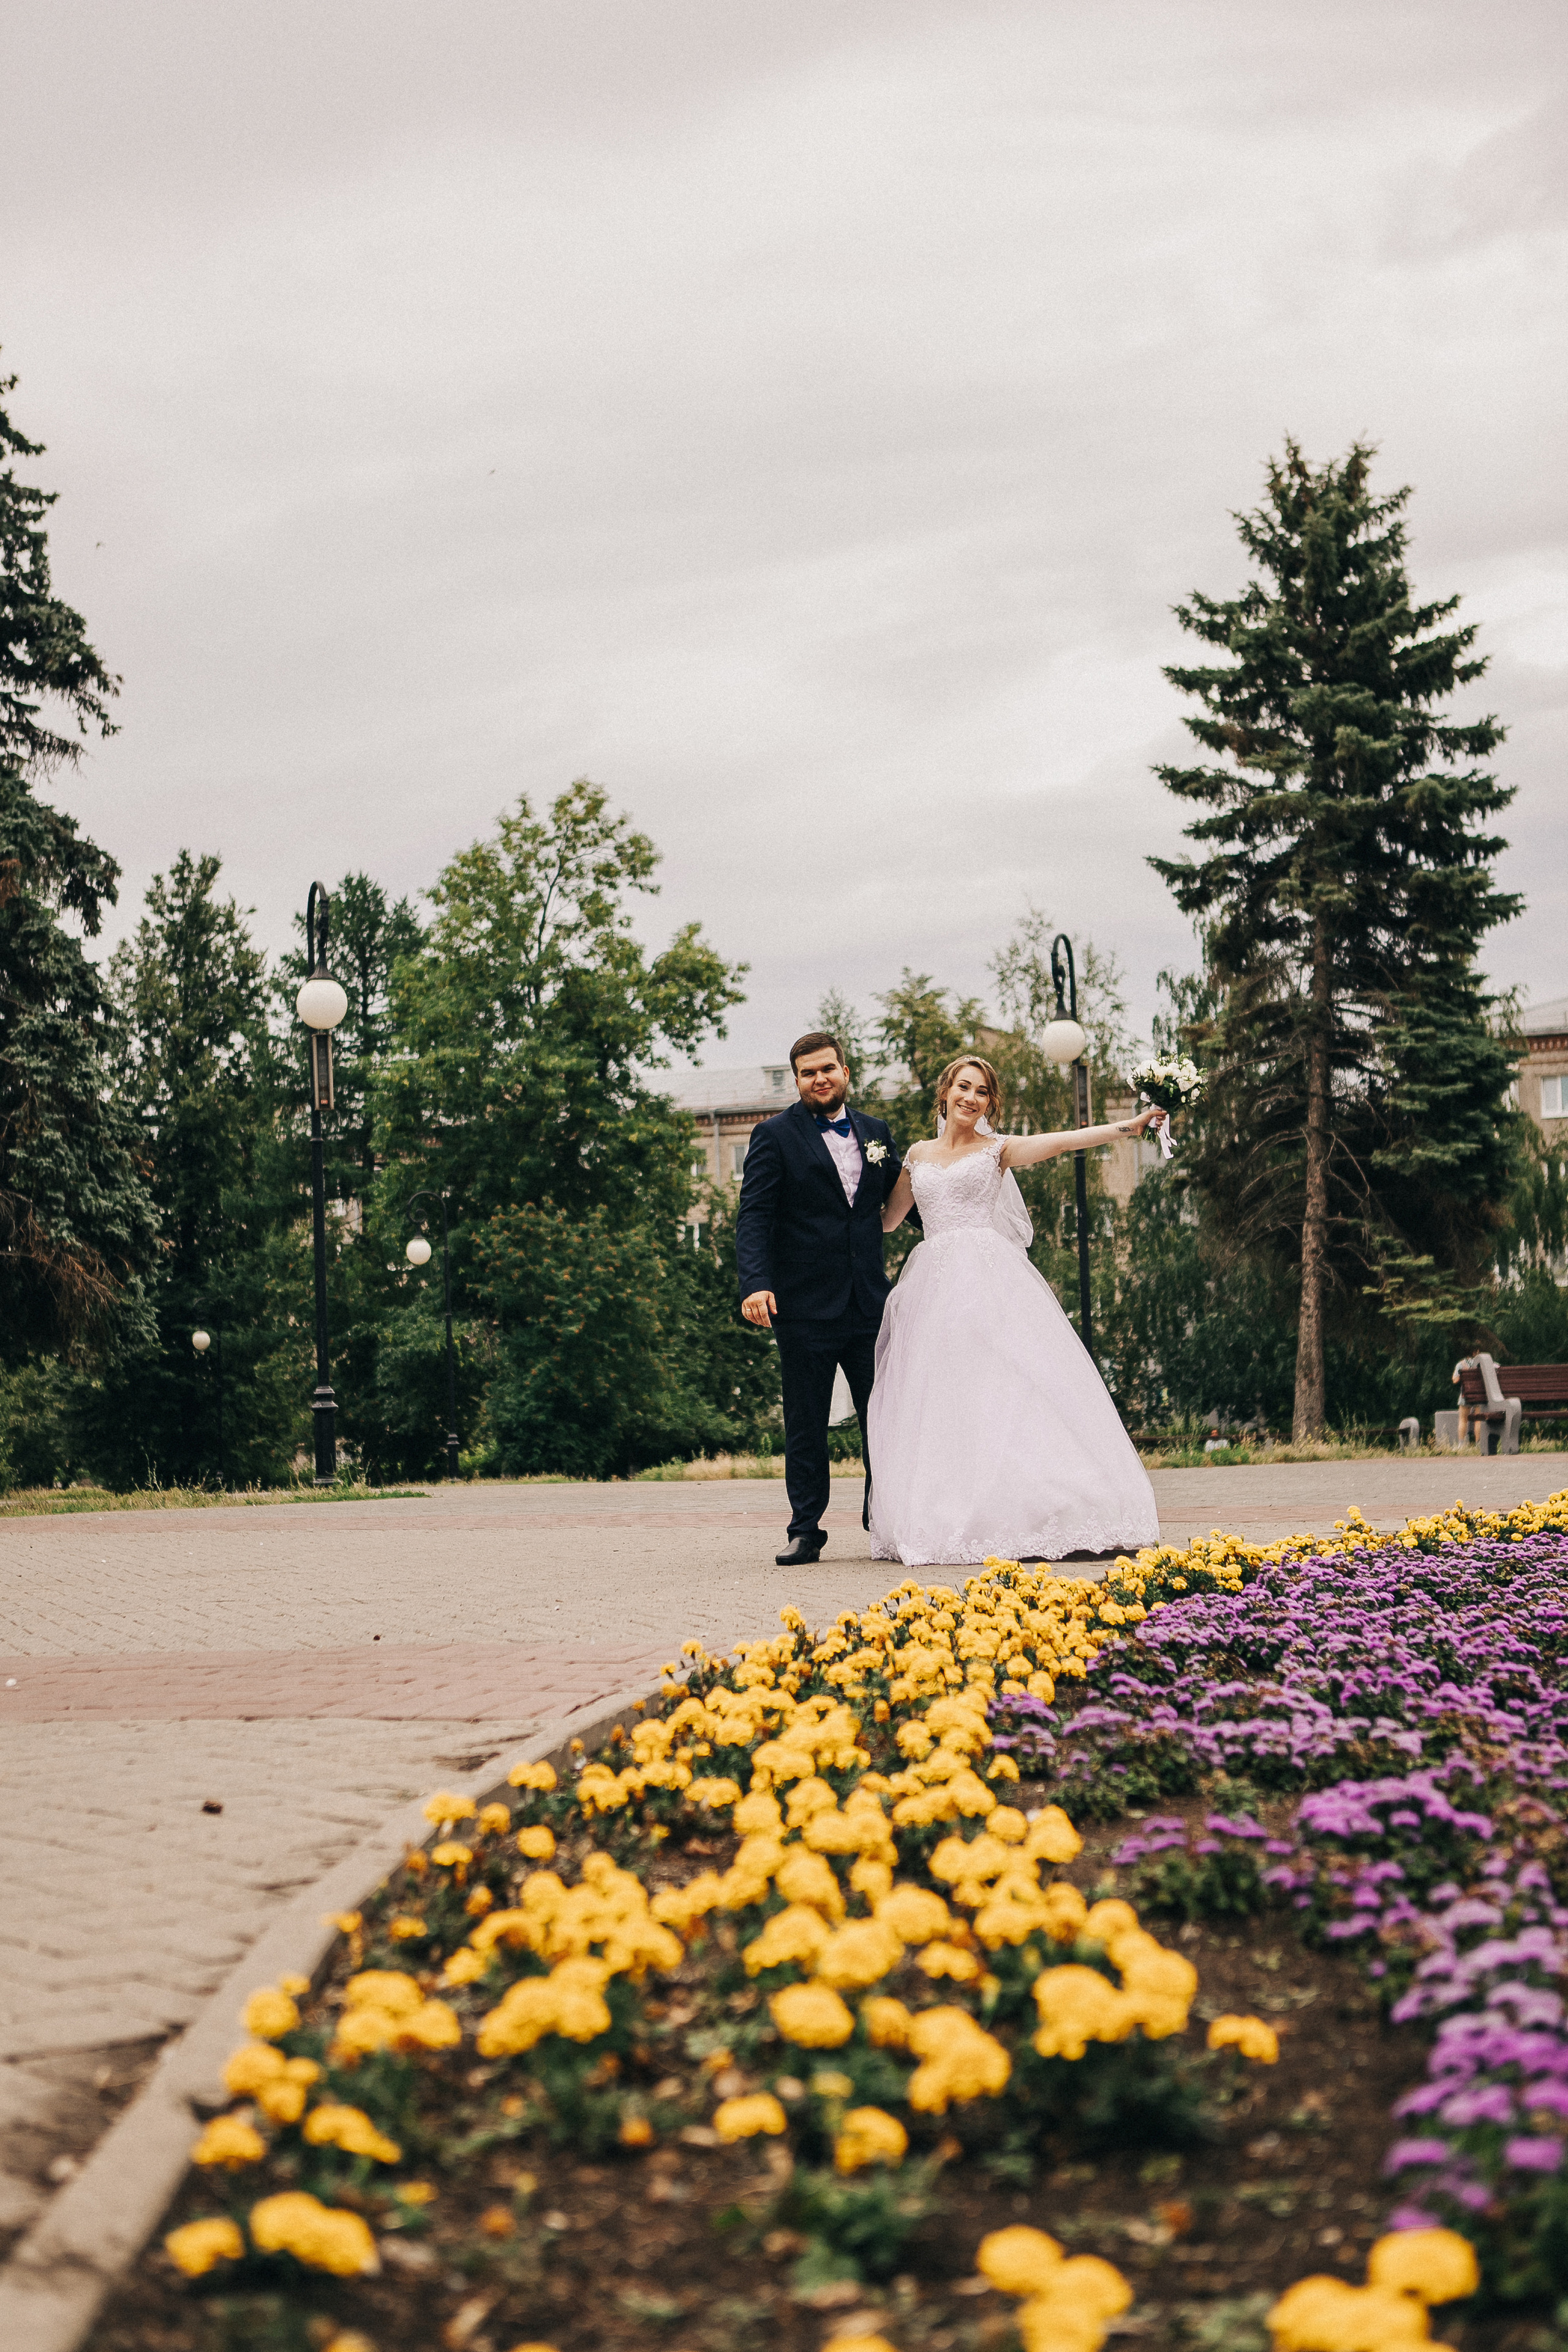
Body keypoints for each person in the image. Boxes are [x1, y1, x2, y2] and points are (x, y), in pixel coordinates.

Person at [869, 1054, 1165, 1568]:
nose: (970, 1098)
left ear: (990, 1102)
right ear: (945, 1092)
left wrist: (1130, 1126)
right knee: (943, 1397)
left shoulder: (998, 1150)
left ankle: (1041, 1507)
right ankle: (954, 1511)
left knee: (1009, 1386)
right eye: (963, 1087)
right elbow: (888, 1222)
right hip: (931, 1286)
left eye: (982, 1092)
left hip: (990, 1279)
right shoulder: (916, 1155)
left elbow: (1066, 1140)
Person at [736, 1031, 908, 1566]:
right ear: (797, 1080)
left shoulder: (876, 1132)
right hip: (803, 1306)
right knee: (806, 1423)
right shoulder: (773, 1136)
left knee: (882, 1417)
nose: (820, 1079)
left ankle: (884, 1520)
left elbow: (907, 1197)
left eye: (827, 1069)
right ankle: (805, 1530)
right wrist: (755, 1283)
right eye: (808, 1073)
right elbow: (755, 1216)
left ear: (845, 1071)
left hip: (867, 1304)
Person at [1452, 1352, 1482, 1447]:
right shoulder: (1482, 1363)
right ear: (1476, 1352)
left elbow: (1455, 1380)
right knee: (1479, 1420)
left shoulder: (1461, 1364)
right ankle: (1478, 1444)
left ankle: (1461, 1445)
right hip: (1480, 1396)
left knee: (1463, 1420)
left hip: (1466, 1395)